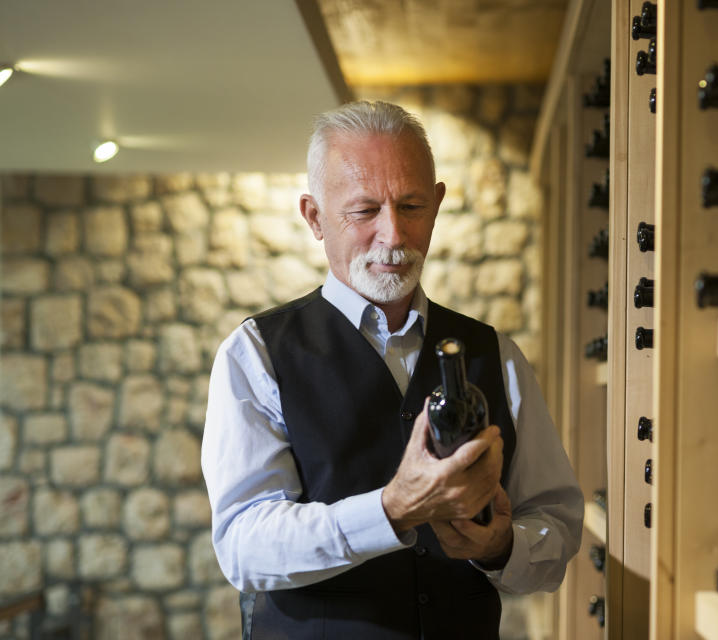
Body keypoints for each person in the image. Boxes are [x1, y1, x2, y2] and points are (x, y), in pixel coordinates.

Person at [201, 100, 583, 639]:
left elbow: (557, 526)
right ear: (314, 216)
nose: (394, 235)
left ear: (438, 203)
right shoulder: (255, 354)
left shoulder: (496, 353)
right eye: (364, 211)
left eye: (411, 206)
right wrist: (391, 510)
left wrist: (501, 546)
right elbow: (245, 546)